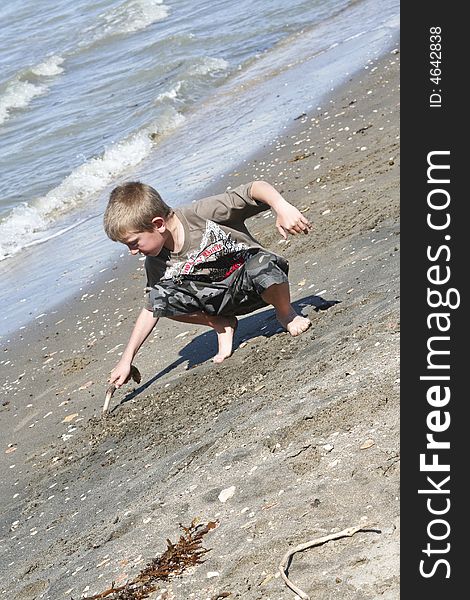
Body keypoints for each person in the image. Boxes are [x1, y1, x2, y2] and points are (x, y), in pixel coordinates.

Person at [104, 180, 312, 388]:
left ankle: (286, 313)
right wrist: (126, 360)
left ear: (158, 224)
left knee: (263, 264)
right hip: (217, 303)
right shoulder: (156, 261)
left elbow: (254, 189)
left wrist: (282, 207)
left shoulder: (201, 214)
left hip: (255, 285)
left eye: (133, 243)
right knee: (158, 296)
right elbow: (152, 307)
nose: (132, 252)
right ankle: (221, 324)